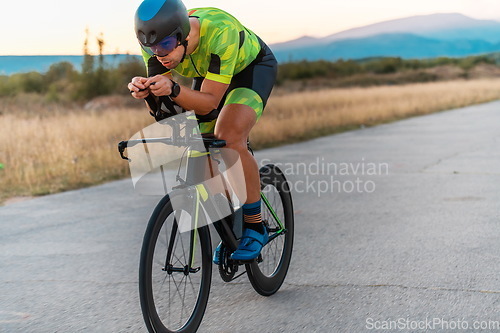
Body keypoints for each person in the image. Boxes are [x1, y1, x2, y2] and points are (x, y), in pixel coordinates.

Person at [128, 0, 278, 262]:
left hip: (250, 70)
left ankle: (254, 225)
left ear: (183, 35)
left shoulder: (221, 32)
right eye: (150, 47)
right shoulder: (156, 45)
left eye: (165, 45)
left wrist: (174, 89)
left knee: (228, 137)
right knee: (198, 146)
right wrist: (147, 93)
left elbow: (209, 101)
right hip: (210, 74)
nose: (158, 54)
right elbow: (166, 110)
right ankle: (233, 229)